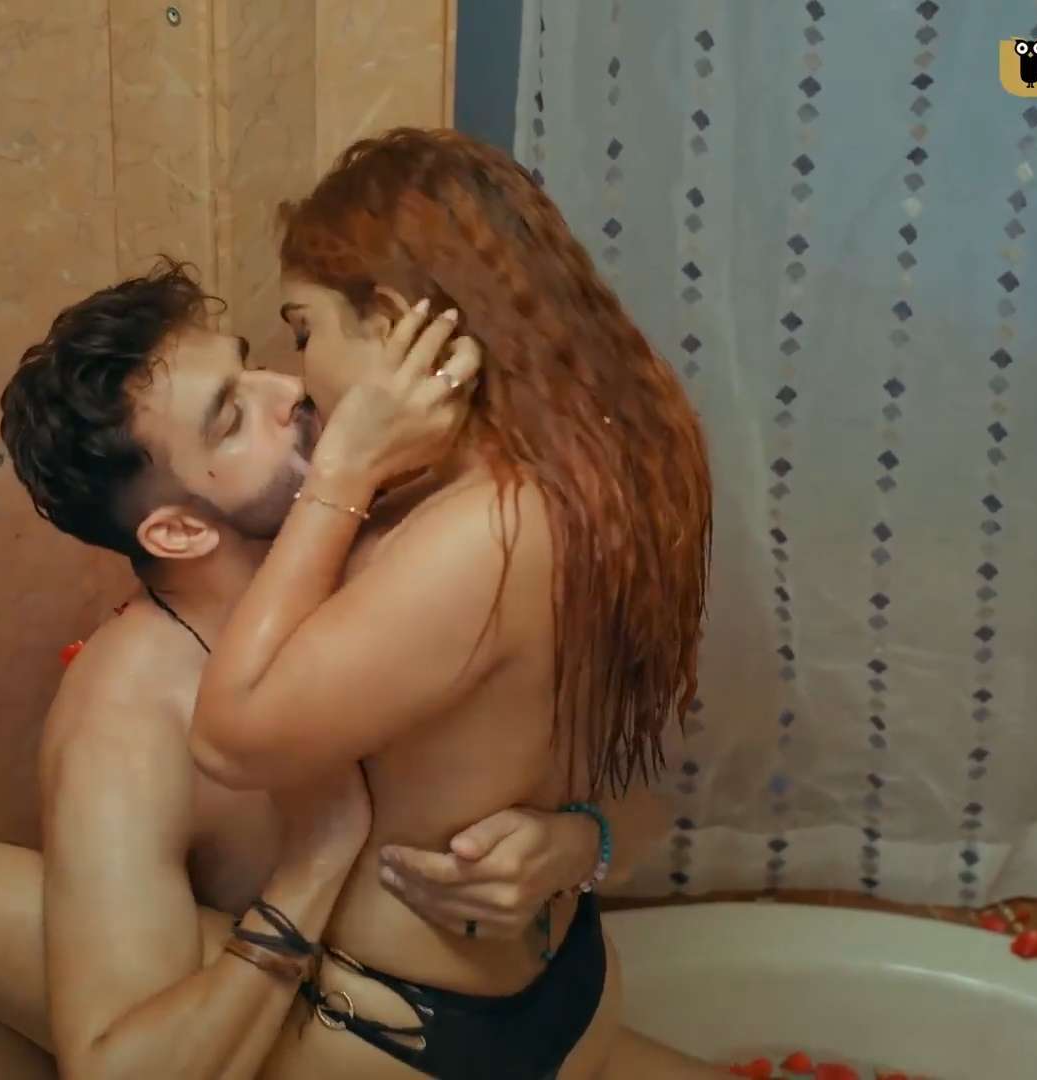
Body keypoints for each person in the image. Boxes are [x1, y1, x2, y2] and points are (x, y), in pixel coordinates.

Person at [0, 262, 671, 1079]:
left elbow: (654, 790)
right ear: (177, 533)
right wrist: (314, 865)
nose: (288, 390)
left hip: (538, 1008)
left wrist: (578, 842)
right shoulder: (132, 708)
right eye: (231, 417)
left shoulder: (407, 541)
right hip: (420, 1033)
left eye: (253, 362)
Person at [186, 127, 715, 1078]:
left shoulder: (487, 531)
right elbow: (611, 762)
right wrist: (583, 841)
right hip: (566, 983)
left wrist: (344, 470)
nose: (299, 377)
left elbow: (231, 741)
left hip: (411, 1033)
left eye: (304, 331)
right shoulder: (610, 473)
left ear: (393, 323)